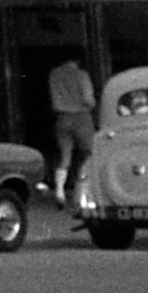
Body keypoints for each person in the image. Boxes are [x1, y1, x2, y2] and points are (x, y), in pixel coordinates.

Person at [47, 51, 97, 209]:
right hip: (81, 117)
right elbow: (88, 99)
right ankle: (83, 192)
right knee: (89, 154)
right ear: (78, 60)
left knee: (64, 156)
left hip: (61, 117)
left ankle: (60, 192)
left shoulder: (54, 74)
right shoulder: (81, 75)